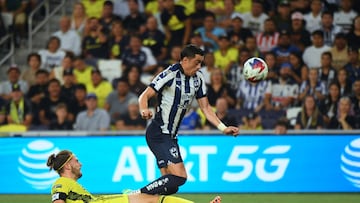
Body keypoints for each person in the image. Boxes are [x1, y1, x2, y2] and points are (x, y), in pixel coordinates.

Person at [136, 45, 239, 195]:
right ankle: (138, 194)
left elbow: (206, 108)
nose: (199, 67)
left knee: (170, 185)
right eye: (197, 62)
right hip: (159, 133)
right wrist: (144, 110)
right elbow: (144, 96)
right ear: (185, 60)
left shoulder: (199, 79)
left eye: (201, 63)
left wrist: (223, 128)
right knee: (180, 176)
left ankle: (143, 197)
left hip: (170, 137)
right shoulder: (170, 74)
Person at [47, 150, 222, 203]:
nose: (80, 163)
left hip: (104, 201)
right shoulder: (60, 183)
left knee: (151, 198)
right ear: (68, 165)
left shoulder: (72, 186)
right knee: (151, 198)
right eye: (77, 161)